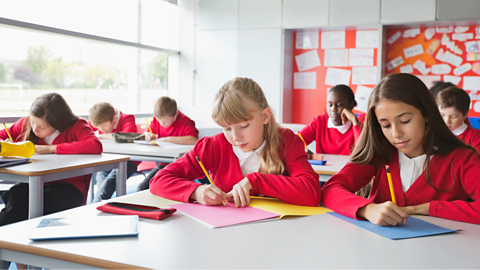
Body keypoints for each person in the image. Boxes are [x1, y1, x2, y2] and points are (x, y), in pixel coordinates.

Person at [321, 73, 480, 226]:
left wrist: (427, 208)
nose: (396, 134)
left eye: (405, 121)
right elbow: (330, 190)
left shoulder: (462, 159)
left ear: (426, 114)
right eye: (386, 125)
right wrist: (367, 209)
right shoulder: (380, 154)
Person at [149, 77, 321, 207]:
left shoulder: (286, 141)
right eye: (226, 128)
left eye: (243, 126)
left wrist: (256, 182)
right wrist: (195, 191)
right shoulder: (213, 146)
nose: (235, 137)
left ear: (265, 116)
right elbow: (159, 180)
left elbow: (312, 192)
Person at [0, 93, 102, 224]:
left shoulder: (76, 126)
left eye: (42, 127)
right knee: (17, 196)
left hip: (68, 186)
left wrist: (50, 149)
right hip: (35, 183)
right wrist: (5, 145)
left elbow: (95, 145)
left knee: (36, 205)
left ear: (58, 124)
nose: (35, 129)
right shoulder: (27, 124)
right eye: (33, 122)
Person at [137, 96, 199, 191]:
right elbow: (147, 134)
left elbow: (193, 140)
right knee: (142, 188)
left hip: (182, 166)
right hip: (163, 164)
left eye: (165, 121)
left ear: (175, 114)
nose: (161, 123)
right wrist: (147, 135)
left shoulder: (185, 122)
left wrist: (168, 139)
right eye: (159, 120)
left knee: (172, 189)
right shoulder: (156, 121)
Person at [88, 102, 139, 202]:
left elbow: (125, 137)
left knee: (105, 188)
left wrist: (101, 135)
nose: (101, 130)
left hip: (129, 161)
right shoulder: (100, 121)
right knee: (101, 186)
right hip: (108, 159)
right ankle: (100, 208)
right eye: (98, 128)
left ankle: (94, 210)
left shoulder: (128, 118)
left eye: (103, 127)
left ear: (114, 119)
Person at [298, 85, 364, 156]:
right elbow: (294, 140)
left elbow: (362, 152)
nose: (333, 109)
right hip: (322, 167)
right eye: (330, 105)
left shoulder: (359, 124)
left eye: (339, 105)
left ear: (351, 105)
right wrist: (302, 150)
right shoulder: (319, 122)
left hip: (349, 166)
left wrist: (354, 120)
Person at [437, 86, 480, 152]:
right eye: (442, 115)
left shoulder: (475, 137)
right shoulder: (435, 134)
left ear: (465, 115)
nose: (447, 121)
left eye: (454, 116)